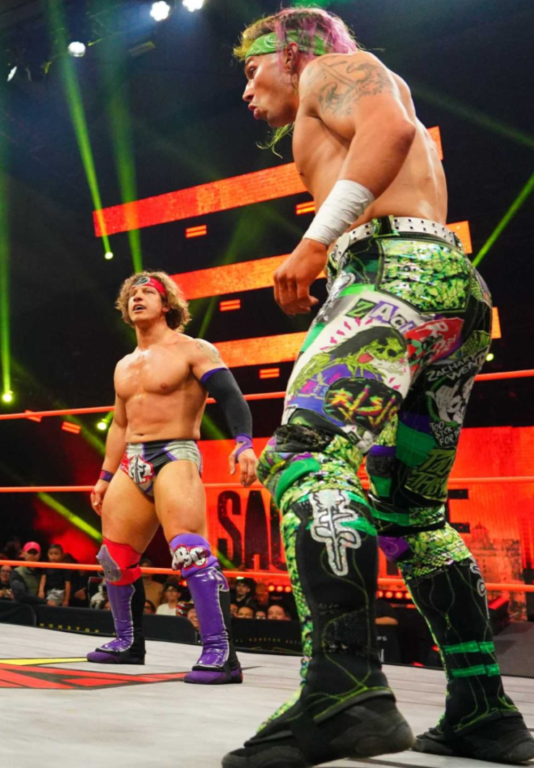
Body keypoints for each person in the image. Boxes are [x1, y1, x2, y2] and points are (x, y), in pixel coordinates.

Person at [227, 8, 534, 766]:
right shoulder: (334, 94)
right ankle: (483, 709)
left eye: (252, 70)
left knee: (304, 454)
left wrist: (315, 243)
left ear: (289, 53)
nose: (246, 91)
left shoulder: (332, 69)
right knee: (412, 514)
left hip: (390, 274)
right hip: (449, 295)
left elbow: (390, 129)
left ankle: (344, 690)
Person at [87, 271, 257, 687]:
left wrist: (244, 442)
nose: (138, 298)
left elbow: (230, 395)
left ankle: (221, 653)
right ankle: (127, 642)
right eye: (132, 294)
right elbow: (120, 424)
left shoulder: (193, 349)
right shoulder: (124, 365)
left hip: (175, 453)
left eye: (148, 292)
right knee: (114, 557)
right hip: (132, 460)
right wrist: (105, 476)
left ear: (167, 305)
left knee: (190, 551)